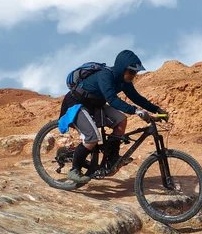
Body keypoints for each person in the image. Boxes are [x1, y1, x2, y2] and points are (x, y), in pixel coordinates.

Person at [59, 50, 167, 183]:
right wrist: (136, 111)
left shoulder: (123, 81)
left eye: (135, 72)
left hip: (95, 105)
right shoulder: (105, 75)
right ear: (122, 68)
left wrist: (156, 109)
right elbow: (112, 99)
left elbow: (137, 98)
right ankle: (74, 170)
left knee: (121, 120)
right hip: (77, 104)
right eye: (132, 72)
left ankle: (112, 157)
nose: (134, 75)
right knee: (92, 138)